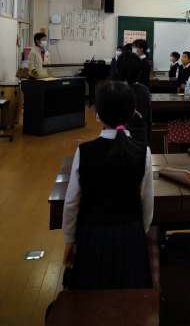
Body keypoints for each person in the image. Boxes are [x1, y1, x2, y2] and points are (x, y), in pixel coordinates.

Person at [62, 81, 153, 290]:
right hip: (130, 236)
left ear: (97, 115)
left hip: (92, 237)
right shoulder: (144, 152)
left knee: (91, 295)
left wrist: (69, 238)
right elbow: (147, 202)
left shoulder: (84, 151)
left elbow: (72, 202)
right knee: (129, 297)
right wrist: (139, 232)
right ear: (132, 113)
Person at [116, 52, 152, 144]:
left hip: (119, 139)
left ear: (119, 70)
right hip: (140, 139)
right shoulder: (144, 90)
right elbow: (148, 119)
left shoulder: (116, 90)